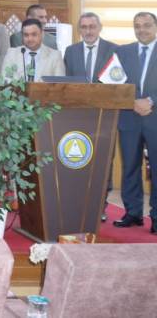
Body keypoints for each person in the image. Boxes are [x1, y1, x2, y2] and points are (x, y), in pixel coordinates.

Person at [113, 12, 157, 232]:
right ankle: (133, 212)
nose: (142, 29)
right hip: (129, 117)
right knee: (130, 166)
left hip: (154, 117)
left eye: (147, 25)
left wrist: (151, 101)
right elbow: (114, 83)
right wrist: (131, 102)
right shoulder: (123, 52)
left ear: (155, 26)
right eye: (137, 26)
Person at [0, 19, 65, 83]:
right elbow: (5, 80)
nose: (30, 39)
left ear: (42, 34)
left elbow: (60, 85)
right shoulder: (11, 54)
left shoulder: (55, 56)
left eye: (34, 34)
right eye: (26, 35)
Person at [64, 12, 117, 81]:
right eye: (84, 27)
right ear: (79, 30)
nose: (88, 32)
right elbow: (67, 81)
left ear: (100, 28)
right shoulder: (70, 52)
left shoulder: (113, 50)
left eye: (92, 27)